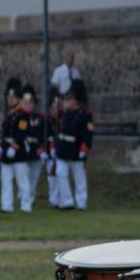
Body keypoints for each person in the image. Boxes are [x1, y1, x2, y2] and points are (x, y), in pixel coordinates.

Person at [0, 85, 45, 214]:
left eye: (13, 98)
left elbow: (21, 133)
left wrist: (14, 147)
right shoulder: (9, 114)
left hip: (18, 151)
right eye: (9, 97)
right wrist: (0, 145)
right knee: (6, 179)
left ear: (19, 99)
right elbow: (4, 133)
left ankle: (26, 205)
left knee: (22, 180)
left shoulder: (23, 115)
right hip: (7, 149)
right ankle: (6, 205)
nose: (10, 100)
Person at [54, 80, 93, 210]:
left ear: (76, 100)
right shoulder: (65, 114)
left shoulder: (85, 115)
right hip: (63, 149)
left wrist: (84, 149)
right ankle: (67, 201)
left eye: (70, 99)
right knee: (60, 173)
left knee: (79, 177)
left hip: (76, 150)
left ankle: (81, 202)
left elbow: (88, 134)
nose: (67, 101)